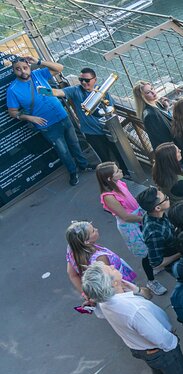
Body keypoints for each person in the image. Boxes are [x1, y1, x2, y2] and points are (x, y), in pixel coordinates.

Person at [6, 56, 94, 186]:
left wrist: (38, 62)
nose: (23, 71)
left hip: (62, 116)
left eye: (25, 67)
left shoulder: (38, 74)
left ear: (29, 66)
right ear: (14, 71)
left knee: (74, 142)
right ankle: (72, 172)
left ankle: (83, 165)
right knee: (63, 150)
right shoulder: (13, 90)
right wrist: (30, 118)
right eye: (18, 69)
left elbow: (59, 68)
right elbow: (12, 112)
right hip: (47, 125)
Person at [96, 162, 167, 296]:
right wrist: (148, 218)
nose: (120, 171)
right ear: (110, 178)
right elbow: (126, 216)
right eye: (117, 171)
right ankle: (151, 281)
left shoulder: (120, 183)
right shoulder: (108, 197)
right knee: (146, 253)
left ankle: (156, 265)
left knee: (153, 244)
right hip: (131, 226)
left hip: (139, 217)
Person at [48, 67, 128, 173]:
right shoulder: (75, 90)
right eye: (81, 80)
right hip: (92, 133)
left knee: (119, 155)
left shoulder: (103, 91)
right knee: (105, 160)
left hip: (108, 130)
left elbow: (112, 110)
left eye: (87, 80)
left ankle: (126, 173)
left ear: (95, 79)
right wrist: (42, 90)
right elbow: (58, 92)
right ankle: (111, 179)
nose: (84, 83)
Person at [65, 220, 150, 305]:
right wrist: (137, 291)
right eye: (93, 231)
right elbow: (112, 283)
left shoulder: (72, 250)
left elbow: (72, 274)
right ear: (86, 242)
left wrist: (86, 294)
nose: (97, 229)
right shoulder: (100, 258)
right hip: (120, 285)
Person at [136, 186, 181, 274]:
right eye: (165, 198)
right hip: (177, 265)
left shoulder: (153, 214)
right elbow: (156, 263)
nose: (168, 198)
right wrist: (180, 253)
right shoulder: (154, 233)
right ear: (157, 208)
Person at [133, 80, 172, 149]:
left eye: (152, 88)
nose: (153, 92)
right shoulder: (150, 115)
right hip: (172, 150)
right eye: (148, 92)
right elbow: (163, 137)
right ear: (142, 97)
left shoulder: (156, 104)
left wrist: (166, 108)